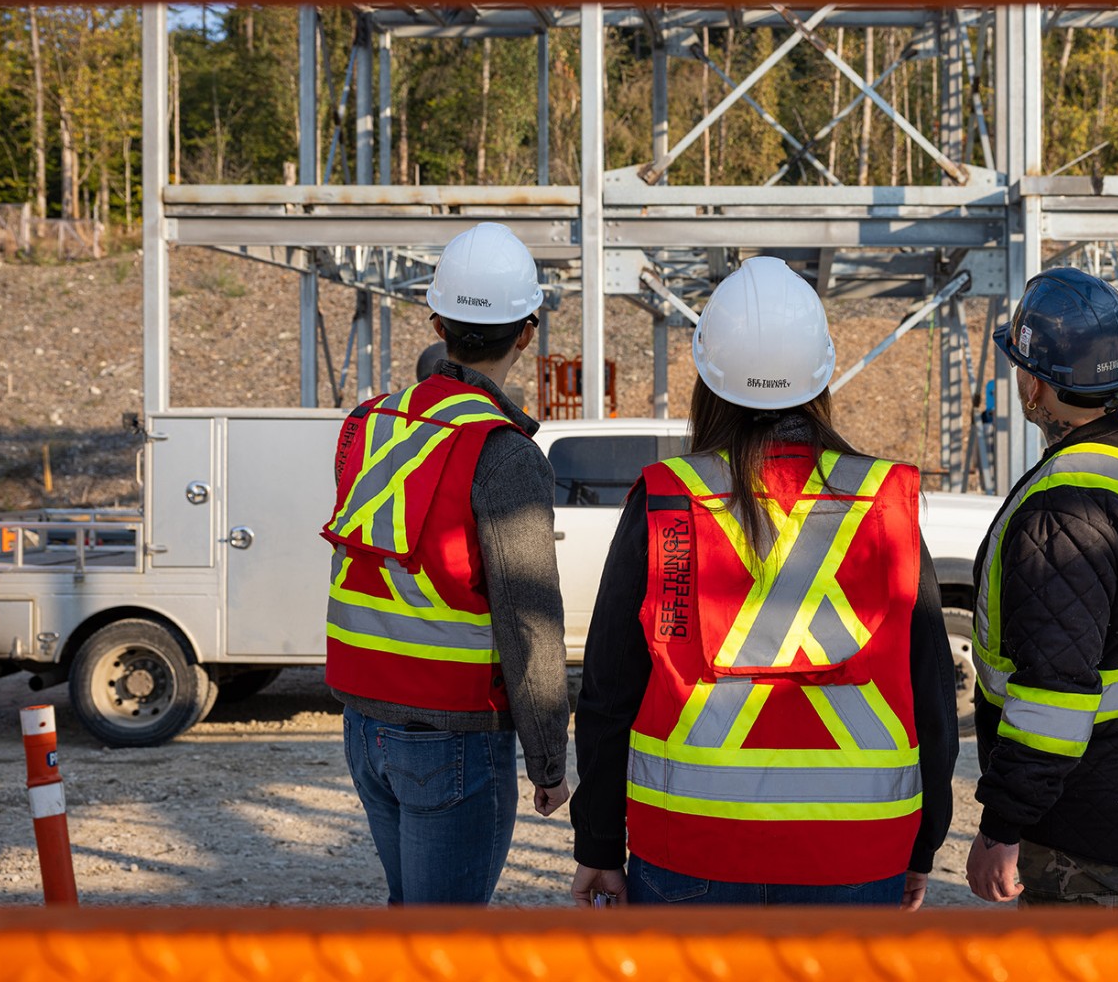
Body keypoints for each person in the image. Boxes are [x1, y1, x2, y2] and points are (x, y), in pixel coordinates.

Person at [568, 256, 956, 909]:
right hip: (858, 852)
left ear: (707, 378)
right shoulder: (885, 501)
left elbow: (609, 690)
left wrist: (600, 846)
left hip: (690, 847)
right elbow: (932, 692)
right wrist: (923, 842)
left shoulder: (670, 500)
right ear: (822, 375)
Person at [322, 221, 571, 905]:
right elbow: (529, 620)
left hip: (365, 724)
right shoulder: (504, 453)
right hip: (451, 737)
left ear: (436, 322)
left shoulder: (371, 423)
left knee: (413, 925)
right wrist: (549, 758)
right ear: (528, 331)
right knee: (445, 947)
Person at [964, 267, 1118, 909]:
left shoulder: (1062, 512)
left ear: (1036, 381)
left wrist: (1002, 827)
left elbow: (1052, 696)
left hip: (1085, 817)